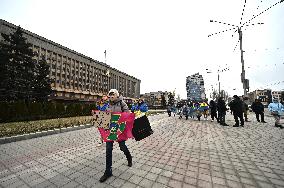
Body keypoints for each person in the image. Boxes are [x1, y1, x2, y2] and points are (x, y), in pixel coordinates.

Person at [99, 89, 132, 183]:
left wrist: (120, 119)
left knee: (122, 147)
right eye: (110, 95)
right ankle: (108, 171)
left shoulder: (122, 104)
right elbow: (104, 119)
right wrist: (102, 134)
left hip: (119, 130)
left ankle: (129, 157)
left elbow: (127, 115)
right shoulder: (107, 105)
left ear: (117, 95)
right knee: (108, 149)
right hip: (110, 131)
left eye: (112, 94)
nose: (111, 96)